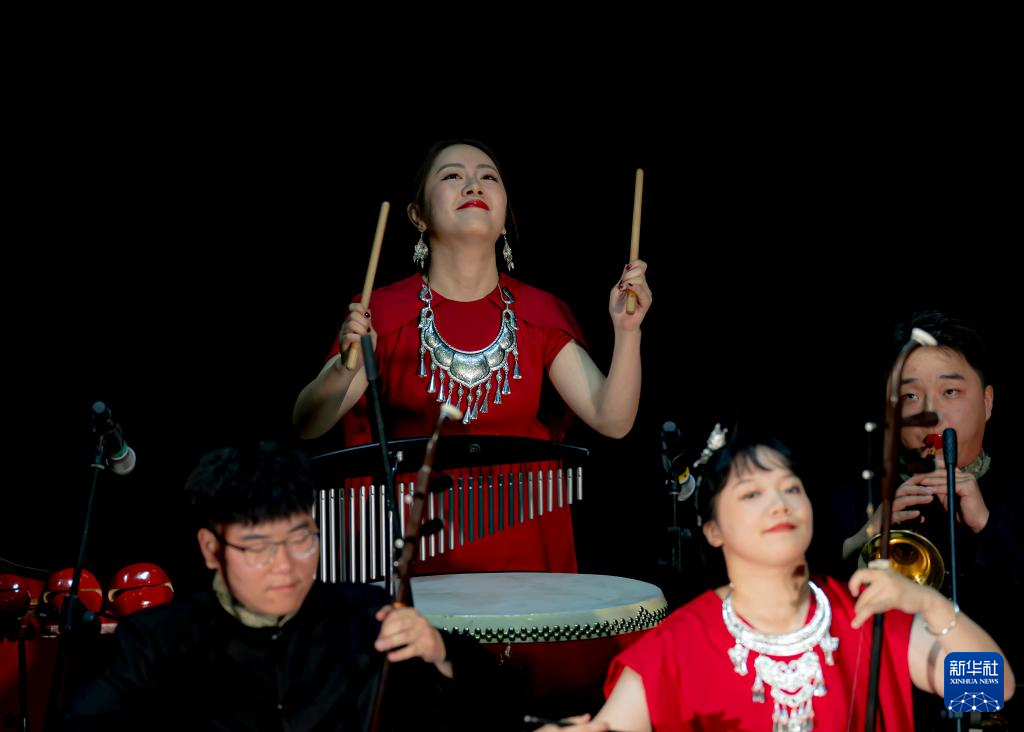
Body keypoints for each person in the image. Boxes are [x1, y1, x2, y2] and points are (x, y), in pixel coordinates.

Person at [293, 139, 652, 574]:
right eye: (452, 175)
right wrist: (343, 369)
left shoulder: (540, 313)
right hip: (416, 556)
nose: (473, 185)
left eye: (488, 177)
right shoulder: (381, 311)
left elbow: (612, 419)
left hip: (525, 557)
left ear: (504, 217)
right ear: (418, 215)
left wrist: (627, 332)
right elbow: (308, 423)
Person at [538, 433, 1015, 731]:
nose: (779, 503)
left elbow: (989, 691)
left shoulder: (867, 615)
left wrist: (930, 605)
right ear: (713, 529)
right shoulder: (675, 645)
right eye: (752, 494)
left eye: (791, 488)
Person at [64, 441, 508, 730]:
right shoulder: (154, 640)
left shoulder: (366, 614)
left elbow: (490, 704)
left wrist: (440, 653)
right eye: (258, 547)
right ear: (211, 549)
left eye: (301, 540)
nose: (285, 566)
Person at [821, 309, 1022, 727]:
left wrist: (985, 527)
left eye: (950, 392)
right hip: (888, 712)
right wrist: (863, 537)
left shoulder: (1019, 493)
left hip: (1000, 707)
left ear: (987, 403)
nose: (929, 413)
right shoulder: (855, 496)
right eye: (910, 397)